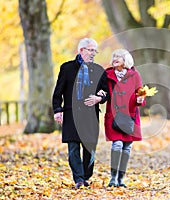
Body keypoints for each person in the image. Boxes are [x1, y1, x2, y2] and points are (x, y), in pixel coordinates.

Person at [52, 38, 108, 189]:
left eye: (95, 51)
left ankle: (85, 175)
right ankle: (79, 179)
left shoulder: (98, 70)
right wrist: (57, 110)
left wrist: (99, 98)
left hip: (90, 116)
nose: (93, 54)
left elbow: (106, 92)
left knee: (90, 149)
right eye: (91, 50)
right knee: (73, 149)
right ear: (81, 50)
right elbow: (58, 92)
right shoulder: (66, 68)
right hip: (71, 115)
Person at [99, 49, 145, 187]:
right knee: (117, 144)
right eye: (114, 56)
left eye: (118, 56)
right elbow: (102, 91)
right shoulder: (107, 75)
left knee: (127, 147)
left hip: (130, 116)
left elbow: (140, 93)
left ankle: (121, 179)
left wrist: (140, 99)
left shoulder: (135, 75)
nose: (115, 58)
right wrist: (100, 93)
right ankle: (113, 178)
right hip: (113, 116)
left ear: (126, 60)